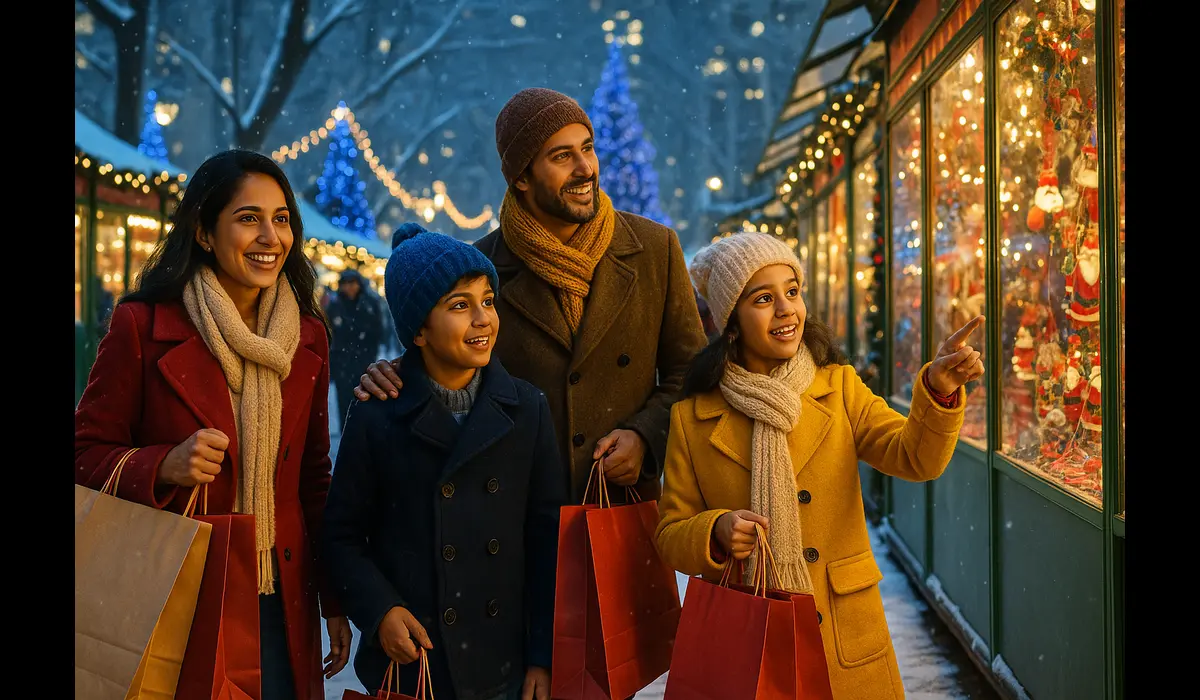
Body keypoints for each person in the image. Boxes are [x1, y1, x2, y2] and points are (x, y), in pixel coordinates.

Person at [654, 233, 984, 700]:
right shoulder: (692, 418)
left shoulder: (839, 387)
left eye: (792, 291)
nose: (787, 309)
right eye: (764, 299)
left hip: (843, 636)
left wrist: (938, 389)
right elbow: (670, 534)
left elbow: (915, 458)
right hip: (750, 644)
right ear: (731, 322)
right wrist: (716, 531)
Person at [74, 149, 352, 699]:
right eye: (248, 219)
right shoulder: (142, 326)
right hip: (177, 585)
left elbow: (314, 479)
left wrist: (333, 601)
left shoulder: (307, 336)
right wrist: (162, 465)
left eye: (281, 220)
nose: (270, 236)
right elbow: (84, 453)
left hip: (280, 593)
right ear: (203, 231)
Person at [354, 87, 707, 504]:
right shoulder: (478, 268)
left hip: (624, 512)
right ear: (521, 176)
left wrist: (647, 436)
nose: (585, 168)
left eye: (587, 149)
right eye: (562, 156)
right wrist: (394, 375)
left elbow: (692, 372)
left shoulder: (654, 249)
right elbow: (443, 369)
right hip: (516, 521)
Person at [324, 223, 566, 700]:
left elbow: (547, 545)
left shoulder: (527, 409)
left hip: (503, 664)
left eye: (488, 301)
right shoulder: (377, 415)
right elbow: (341, 535)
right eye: (460, 305)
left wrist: (543, 655)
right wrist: (380, 611)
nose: (483, 319)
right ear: (419, 329)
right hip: (414, 661)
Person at [326, 268, 385, 432]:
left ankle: (364, 432)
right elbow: (329, 334)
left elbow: (377, 331)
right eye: (346, 283)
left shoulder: (369, 304)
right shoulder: (335, 306)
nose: (349, 287)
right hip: (342, 362)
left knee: (364, 399)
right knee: (344, 400)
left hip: (363, 360)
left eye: (352, 283)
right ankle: (347, 430)